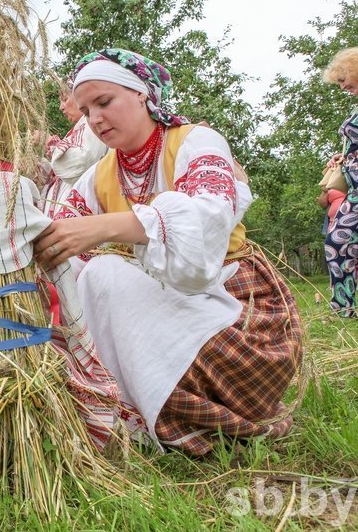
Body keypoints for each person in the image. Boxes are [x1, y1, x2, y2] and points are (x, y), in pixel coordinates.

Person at [35, 48, 303, 456]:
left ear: (142, 93)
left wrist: (109, 226)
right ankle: (142, 408)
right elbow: (63, 240)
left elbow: (208, 217)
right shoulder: (99, 175)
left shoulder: (196, 141)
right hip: (167, 303)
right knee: (92, 278)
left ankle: (207, 404)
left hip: (239, 315)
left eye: (104, 102)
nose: (95, 119)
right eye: (87, 110)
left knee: (105, 272)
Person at [322, 47, 358, 317]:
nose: (343, 86)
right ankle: (343, 312)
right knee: (337, 243)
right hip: (356, 192)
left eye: (344, 79)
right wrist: (345, 156)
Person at [41, 80, 109, 219]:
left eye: (65, 99)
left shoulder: (92, 125)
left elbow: (81, 163)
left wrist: (52, 145)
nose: (61, 107)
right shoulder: (78, 129)